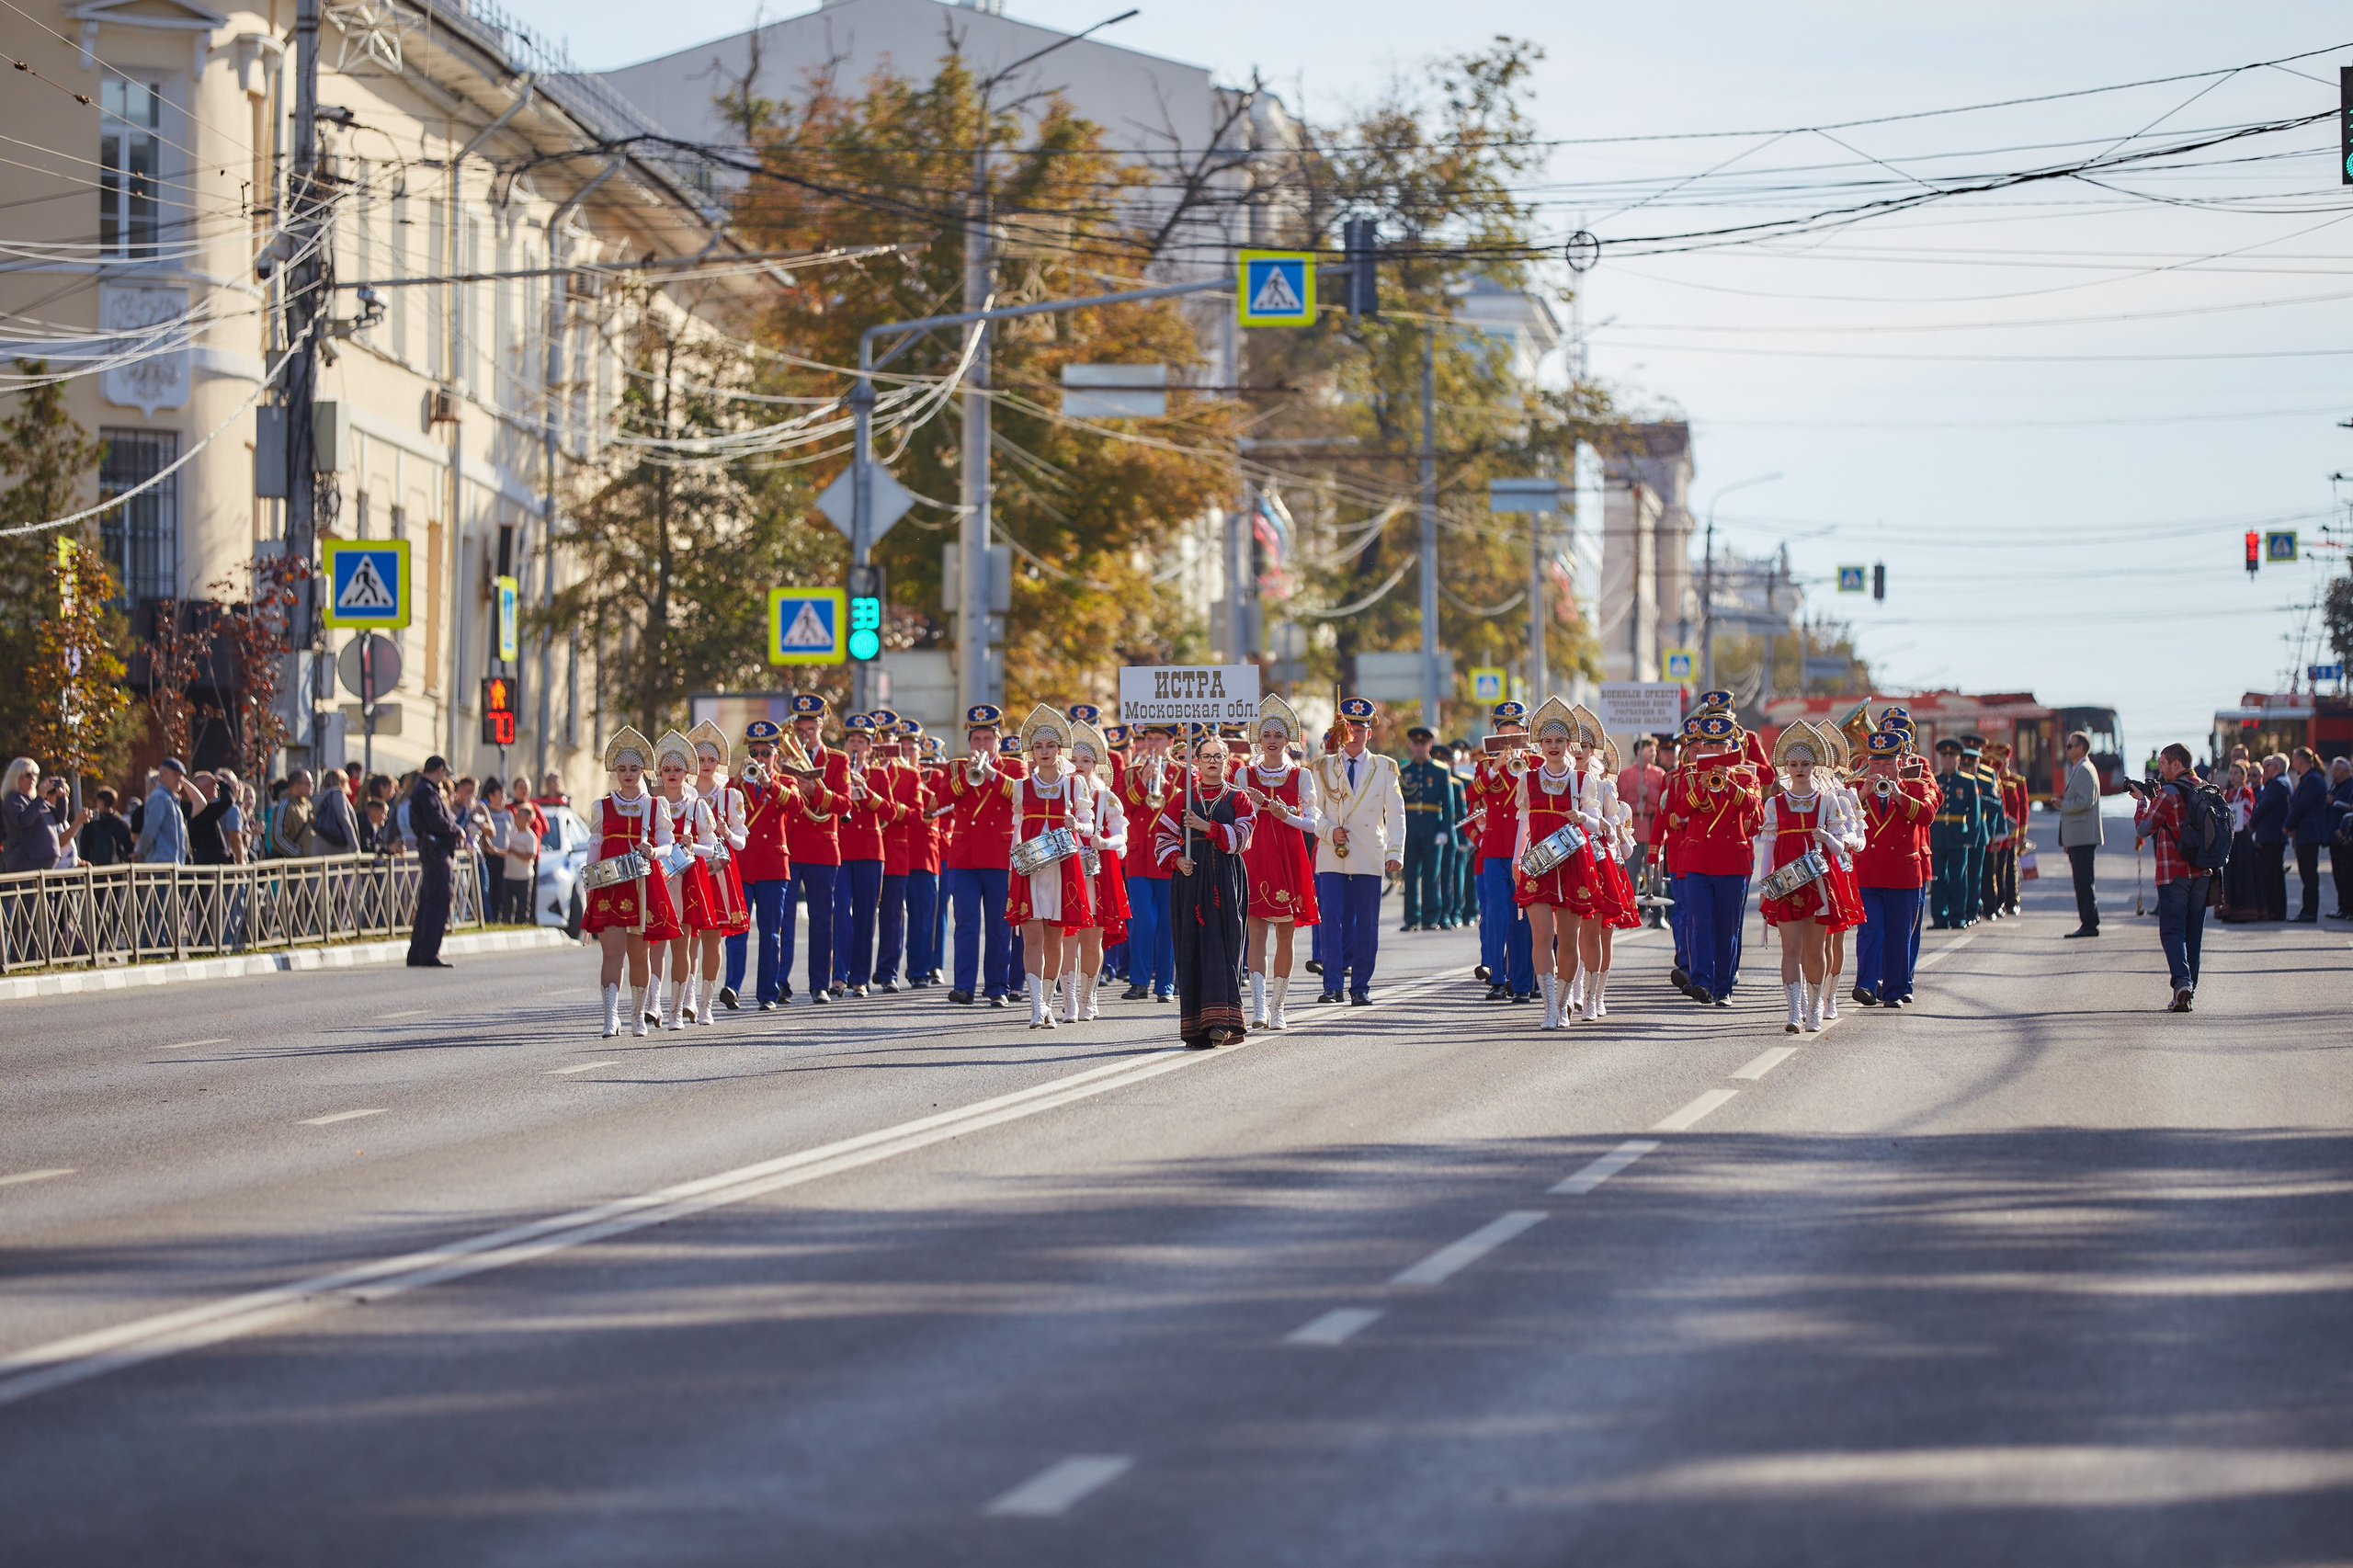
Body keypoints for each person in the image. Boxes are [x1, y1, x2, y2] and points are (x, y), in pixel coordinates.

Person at [1756, 724, 1863, 1033]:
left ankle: (1816, 1009)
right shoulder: (1774, 804)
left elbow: (1842, 845)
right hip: (1786, 884)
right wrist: (1766, 886)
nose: (1799, 769)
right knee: (1790, 949)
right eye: (1793, 764)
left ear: (1814, 765)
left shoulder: (1828, 802)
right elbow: (1769, 849)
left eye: (1805, 764)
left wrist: (1828, 836)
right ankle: (1793, 1011)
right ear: (1785, 767)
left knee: (1815, 951)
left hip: (1819, 882)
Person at [1154, 732, 1256, 1049]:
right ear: (1196, 761)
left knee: (1225, 943)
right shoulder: (1183, 799)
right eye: (1206, 756)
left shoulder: (1238, 798)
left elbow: (1243, 838)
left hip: (1225, 876)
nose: (1212, 762)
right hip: (1191, 876)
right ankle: (1197, 1026)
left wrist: (1205, 827)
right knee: (1192, 944)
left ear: (1227, 762)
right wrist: (1176, 859)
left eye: (1218, 757)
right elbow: (1162, 836)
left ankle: (1225, 1022)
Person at [1508, 699, 1606, 1029]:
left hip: (1573, 864)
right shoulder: (1528, 780)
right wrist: (1516, 860)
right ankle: (1549, 1007)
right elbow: (1523, 824)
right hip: (1538, 866)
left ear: (1569, 744)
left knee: (1568, 939)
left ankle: (1564, 1003)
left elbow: (1598, 822)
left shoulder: (1582, 781)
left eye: (1559, 741)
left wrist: (1583, 817)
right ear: (1539, 744)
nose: (1553, 747)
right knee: (1541, 935)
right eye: (1547, 741)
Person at [998, 707, 1096, 1028]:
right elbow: (1016, 827)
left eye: (1050, 746)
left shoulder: (1073, 786)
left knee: (1055, 941)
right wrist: (1014, 865)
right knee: (1032, 939)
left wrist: (1076, 826)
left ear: (1059, 750)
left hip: (1063, 867)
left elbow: (1088, 823)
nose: (1044, 752)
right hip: (1031, 868)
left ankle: (1050, 1002)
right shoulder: (1021, 786)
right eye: (1038, 747)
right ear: (1031, 751)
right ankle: (1036, 1006)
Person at [583, 727, 682, 1036]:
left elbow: (668, 842)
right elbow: (595, 846)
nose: (628, 774)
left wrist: (655, 850)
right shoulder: (602, 806)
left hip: (643, 885)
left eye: (634, 768)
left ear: (644, 770)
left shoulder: (655, 806)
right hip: (611, 885)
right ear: (615, 770)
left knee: (639, 953)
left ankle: (638, 1015)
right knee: (611, 952)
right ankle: (610, 1016)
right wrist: (590, 881)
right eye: (622, 768)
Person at [1311, 698, 1405, 1006]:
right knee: (1331, 920)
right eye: (1349, 726)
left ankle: (1361, 986)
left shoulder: (1384, 766)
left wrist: (1395, 851)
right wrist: (1327, 830)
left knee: (1366, 923)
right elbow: (1312, 810)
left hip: (1368, 850)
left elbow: (1395, 812)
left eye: (1361, 727)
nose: (1355, 733)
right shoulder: (1324, 766)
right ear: (1341, 729)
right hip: (1331, 850)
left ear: (1369, 731)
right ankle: (1332, 985)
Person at [1237, 694, 1322, 1031]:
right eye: (1267, 736)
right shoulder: (1245, 774)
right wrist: (1257, 808)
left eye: (1279, 736)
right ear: (1259, 738)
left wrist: (1285, 814)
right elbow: (1239, 817)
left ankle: (1279, 1006)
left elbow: (1314, 822)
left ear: (1289, 740)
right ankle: (1258, 1006)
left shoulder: (1301, 775)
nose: (1272, 742)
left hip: (1289, 854)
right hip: (1255, 855)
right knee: (1256, 932)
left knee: (1286, 934)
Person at [1672, 713, 1764, 1006]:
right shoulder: (1689, 775)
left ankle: (1724, 987)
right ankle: (1701, 981)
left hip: (1732, 861)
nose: (1714, 753)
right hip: (1698, 861)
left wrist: (1728, 786)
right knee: (1701, 923)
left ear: (1731, 748)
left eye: (1720, 747)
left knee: (1727, 926)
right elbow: (1681, 811)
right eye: (1708, 747)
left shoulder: (1747, 776)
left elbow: (1754, 810)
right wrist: (1702, 786)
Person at [944, 703, 1024, 1006]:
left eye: (987, 739)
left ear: (998, 741)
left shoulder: (1014, 768)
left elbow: (1022, 795)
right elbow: (940, 799)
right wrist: (968, 776)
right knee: (965, 924)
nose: (981, 745)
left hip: (999, 857)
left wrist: (990, 774)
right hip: (964, 858)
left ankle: (997, 987)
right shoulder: (956, 769)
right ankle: (963, 986)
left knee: (999, 926)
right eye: (976, 740)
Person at [1851, 731, 1938, 1007]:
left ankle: (1894, 991)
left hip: (1903, 874)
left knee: (1900, 934)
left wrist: (1899, 796)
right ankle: (1865, 984)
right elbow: (1840, 817)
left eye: (1887, 764)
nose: (1881, 770)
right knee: (1870, 930)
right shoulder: (1857, 787)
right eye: (1876, 764)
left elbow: (1927, 816)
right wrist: (1863, 794)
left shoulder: (1914, 785)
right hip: (1870, 872)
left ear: (1899, 763)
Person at [2132, 743, 2214, 1012]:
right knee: (2194, 933)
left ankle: (2182, 983)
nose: (2161, 769)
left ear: (2177, 764)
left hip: (2174, 871)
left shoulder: (2168, 793)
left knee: (2172, 931)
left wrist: (2142, 802)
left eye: (2165, 764)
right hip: (2204, 871)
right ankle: (2188, 989)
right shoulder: (2205, 788)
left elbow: (2146, 828)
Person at [1057, 720, 1129, 1023]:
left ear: (1096, 765)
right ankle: (1070, 999)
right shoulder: (1056, 793)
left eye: (1085, 760)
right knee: (1065, 938)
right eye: (1073, 760)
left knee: (1092, 940)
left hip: (1098, 873)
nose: (1079, 765)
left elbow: (1123, 836)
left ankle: (1089, 994)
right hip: (1065, 872)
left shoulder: (1105, 797)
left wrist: (1105, 841)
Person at [679, 722, 750, 1024]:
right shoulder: (683, 794)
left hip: (720, 872)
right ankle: (688, 997)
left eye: (710, 760)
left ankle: (707, 1003)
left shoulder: (729, 796)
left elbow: (741, 841)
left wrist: (726, 833)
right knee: (687, 937)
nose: (706, 766)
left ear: (718, 762)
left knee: (712, 938)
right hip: (691, 869)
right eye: (700, 759)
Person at [782, 693, 850, 1006]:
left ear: (821, 727)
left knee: (822, 918)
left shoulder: (837, 760)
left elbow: (845, 803)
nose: (805, 736)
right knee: (784, 919)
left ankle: (819, 983)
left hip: (822, 849)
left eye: (810, 730)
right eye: (799, 730)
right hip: (790, 845)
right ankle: (779, 981)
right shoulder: (783, 758)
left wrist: (816, 790)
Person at [827, 712, 900, 997]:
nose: (855, 746)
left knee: (866, 916)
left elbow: (891, 812)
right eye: (852, 741)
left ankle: (860, 978)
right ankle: (839, 975)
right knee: (840, 912)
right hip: (841, 851)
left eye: (862, 741)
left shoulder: (879, 774)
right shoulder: (834, 770)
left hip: (871, 852)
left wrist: (866, 792)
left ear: (871, 747)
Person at [726, 719, 796, 1009]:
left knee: (771, 932)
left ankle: (768, 992)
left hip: (773, 867)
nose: (760, 759)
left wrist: (771, 784)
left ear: (776, 756)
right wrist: (744, 781)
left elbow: (798, 806)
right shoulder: (735, 785)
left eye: (765, 753)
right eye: (754, 753)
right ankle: (732, 986)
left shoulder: (786, 783)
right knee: (737, 928)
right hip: (743, 865)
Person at [1120, 723, 1180, 1002]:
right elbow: (1121, 809)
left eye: (1159, 739)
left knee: (1168, 923)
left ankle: (1165, 984)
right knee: (1142, 919)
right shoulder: (1131, 774)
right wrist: (1143, 784)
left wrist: (1163, 784)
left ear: (1170, 742)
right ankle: (1139, 981)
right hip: (1139, 857)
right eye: (1149, 739)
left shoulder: (1183, 773)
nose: (1153, 745)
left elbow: (1183, 807)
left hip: (1168, 856)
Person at [406, 758, 460, 968]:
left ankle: (418, 953)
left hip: (431, 851)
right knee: (438, 901)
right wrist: (457, 830)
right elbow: (436, 821)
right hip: (436, 852)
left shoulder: (423, 790)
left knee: (428, 903)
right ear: (439, 770)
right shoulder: (427, 792)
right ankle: (428, 953)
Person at [1398, 725, 1451, 931]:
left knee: (1431, 875)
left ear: (1429, 745)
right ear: (1411, 746)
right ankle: (1411, 918)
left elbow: (1448, 804)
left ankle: (1430, 917)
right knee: (1409, 876)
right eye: (1416, 744)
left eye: (1423, 744)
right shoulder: (1403, 771)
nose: (1420, 748)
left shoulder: (1440, 770)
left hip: (1432, 829)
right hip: (1410, 829)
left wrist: (1444, 830)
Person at [3, 757, 88, 874]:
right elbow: (24, 821)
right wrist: (40, 796)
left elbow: (59, 818)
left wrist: (61, 797)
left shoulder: (35, 801)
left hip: (46, 866)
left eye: (35, 775)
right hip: (26, 864)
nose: (33, 779)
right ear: (16, 776)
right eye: (28, 775)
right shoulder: (13, 799)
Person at [2057, 729, 2103, 937]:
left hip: (2083, 837)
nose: (2067, 749)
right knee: (2082, 881)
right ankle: (2088, 921)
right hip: (2078, 836)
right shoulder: (2080, 768)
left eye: (2070, 745)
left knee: (2084, 881)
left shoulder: (2085, 769)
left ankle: (2089, 923)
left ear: (2081, 748)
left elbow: (2086, 801)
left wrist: (2063, 804)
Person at [2283, 746, 2329, 924]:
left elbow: (2301, 806)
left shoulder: (2312, 780)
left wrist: (2288, 825)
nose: (2293, 763)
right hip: (2306, 832)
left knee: (2309, 875)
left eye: (2294, 759)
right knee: (2307, 874)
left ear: (2300, 760)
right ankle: (2307, 910)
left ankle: (2309, 912)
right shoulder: (2310, 779)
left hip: (2309, 833)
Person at [2215, 760, 2261, 923]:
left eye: (2236, 773)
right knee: (2230, 873)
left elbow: (2246, 814)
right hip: (2231, 837)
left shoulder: (2246, 792)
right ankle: (2229, 909)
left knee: (2242, 873)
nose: (2233, 776)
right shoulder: (2228, 793)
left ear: (2243, 775)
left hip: (2241, 837)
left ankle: (2243, 911)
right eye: (2231, 773)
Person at [2248, 754, 2290, 921]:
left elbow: (2262, 807)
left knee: (2273, 876)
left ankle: (2276, 911)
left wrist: (2251, 823)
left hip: (2272, 837)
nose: (2267, 769)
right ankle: (2275, 910)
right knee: (2273, 875)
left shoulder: (2278, 784)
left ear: (2277, 767)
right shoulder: (2279, 783)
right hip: (2272, 836)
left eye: (2270, 766)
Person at [503, 785, 542, 924]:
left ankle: (522, 923)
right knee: (508, 903)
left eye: (520, 816)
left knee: (522, 904)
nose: (516, 819)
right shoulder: (512, 834)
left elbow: (530, 856)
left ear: (528, 819)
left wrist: (514, 851)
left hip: (523, 876)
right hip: (509, 874)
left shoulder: (530, 837)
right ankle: (507, 922)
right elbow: (506, 851)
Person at [76, 787, 135, 868]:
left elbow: (84, 847)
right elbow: (130, 848)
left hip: (95, 870)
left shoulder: (91, 823)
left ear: (102, 802)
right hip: (117, 870)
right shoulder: (121, 824)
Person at [312, 768, 358, 858]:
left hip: (319, 848)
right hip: (337, 850)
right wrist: (356, 849)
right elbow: (345, 822)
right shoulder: (338, 795)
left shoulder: (316, 798)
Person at [2327, 756, 2353, 920]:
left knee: (2347, 874)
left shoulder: (2350, 785)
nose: (2333, 774)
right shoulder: (2335, 786)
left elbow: (2348, 808)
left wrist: (2333, 801)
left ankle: (2349, 908)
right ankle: (2342, 907)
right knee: (2338, 874)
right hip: (2334, 837)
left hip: (2345, 836)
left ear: (2345, 771)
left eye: (2336, 770)